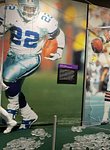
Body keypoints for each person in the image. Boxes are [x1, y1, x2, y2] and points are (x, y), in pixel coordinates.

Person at [0, 0, 65, 129]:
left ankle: (11, 112)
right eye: (26, 8)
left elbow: (59, 33)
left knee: (7, 78)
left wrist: (60, 50)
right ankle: (29, 115)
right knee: (10, 89)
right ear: (19, 7)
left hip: (31, 58)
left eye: (32, 8)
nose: (29, 11)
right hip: (12, 56)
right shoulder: (10, 12)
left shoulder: (45, 19)